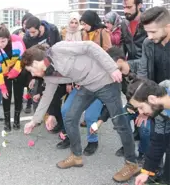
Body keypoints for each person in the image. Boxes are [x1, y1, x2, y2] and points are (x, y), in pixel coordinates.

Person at [21, 41, 139, 182]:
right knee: (70, 117)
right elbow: (47, 96)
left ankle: (132, 164)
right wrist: (34, 120)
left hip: (106, 81)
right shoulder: (48, 74)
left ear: (38, 61)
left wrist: (112, 68)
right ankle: (76, 156)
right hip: (87, 86)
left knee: (119, 122)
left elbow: (89, 46)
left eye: (32, 69)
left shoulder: (58, 50)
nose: (33, 74)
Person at [56, 12, 104, 156]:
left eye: (82, 23)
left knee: (90, 116)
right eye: (79, 23)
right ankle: (70, 137)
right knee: (66, 110)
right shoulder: (81, 35)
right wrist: (73, 80)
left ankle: (92, 141)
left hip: (99, 83)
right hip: (81, 82)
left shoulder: (102, 34)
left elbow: (108, 57)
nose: (81, 26)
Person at [114, 0, 148, 157]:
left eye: (129, 7)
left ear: (139, 5)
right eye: (123, 7)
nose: (125, 10)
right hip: (129, 75)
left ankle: (144, 152)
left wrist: (127, 64)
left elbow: (151, 56)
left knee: (145, 114)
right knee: (130, 109)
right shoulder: (123, 24)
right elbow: (122, 46)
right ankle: (131, 140)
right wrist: (119, 61)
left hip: (147, 73)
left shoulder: (149, 22)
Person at [126, 78, 170, 185]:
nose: (140, 112)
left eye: (140, 107)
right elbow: (158, 142)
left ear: (152, 99)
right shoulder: (160, 111)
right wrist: (146, 171)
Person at [0, 26, 26, 132]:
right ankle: (7, 122)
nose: (1, 44)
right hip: (4, 74)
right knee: (6, 95)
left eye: (3, 41)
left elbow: (24, 57)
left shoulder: (18, 41)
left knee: (18, 95)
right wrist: (2, 87)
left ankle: (17, 120)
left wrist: (16, 70)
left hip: (19, 70)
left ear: (8, 38)